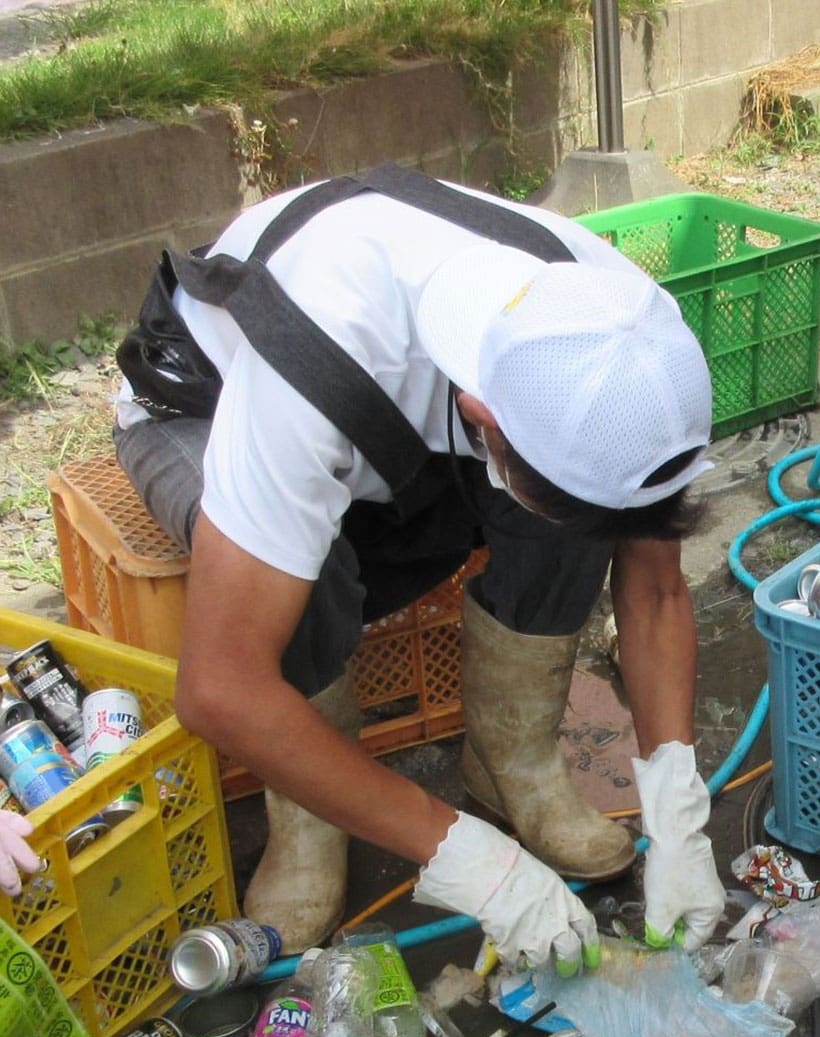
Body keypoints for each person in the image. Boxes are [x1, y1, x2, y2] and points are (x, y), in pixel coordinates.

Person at [112, 166, 728, 966]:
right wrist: (473, 863)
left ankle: (515, 761)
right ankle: (310, 822)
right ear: (484, 423)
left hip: (397, 422)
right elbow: (222, 687)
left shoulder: (628, 340)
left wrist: (677, 810)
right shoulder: (313, 361)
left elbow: (652, 585)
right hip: (206, 400)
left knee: (573, 515)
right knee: (306, 570)